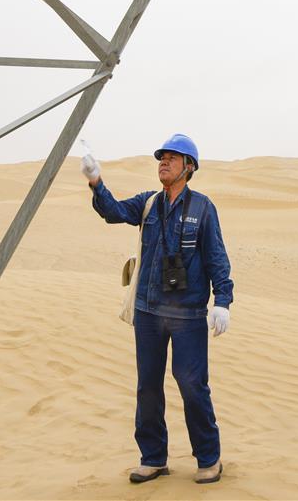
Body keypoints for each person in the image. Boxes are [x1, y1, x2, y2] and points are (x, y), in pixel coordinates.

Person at [81, 133, 233, 484]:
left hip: (189, 315)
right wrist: (95, 180)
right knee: (147, 385)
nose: (163, 162)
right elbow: (113, 212)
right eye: (161, 157)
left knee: (192, 383)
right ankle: (153, 458)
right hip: (149, 312)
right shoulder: (148, 204)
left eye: (172, 157)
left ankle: (209, 458)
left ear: (189, 167)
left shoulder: (203, 208)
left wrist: (222, 301)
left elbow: (217, 258)